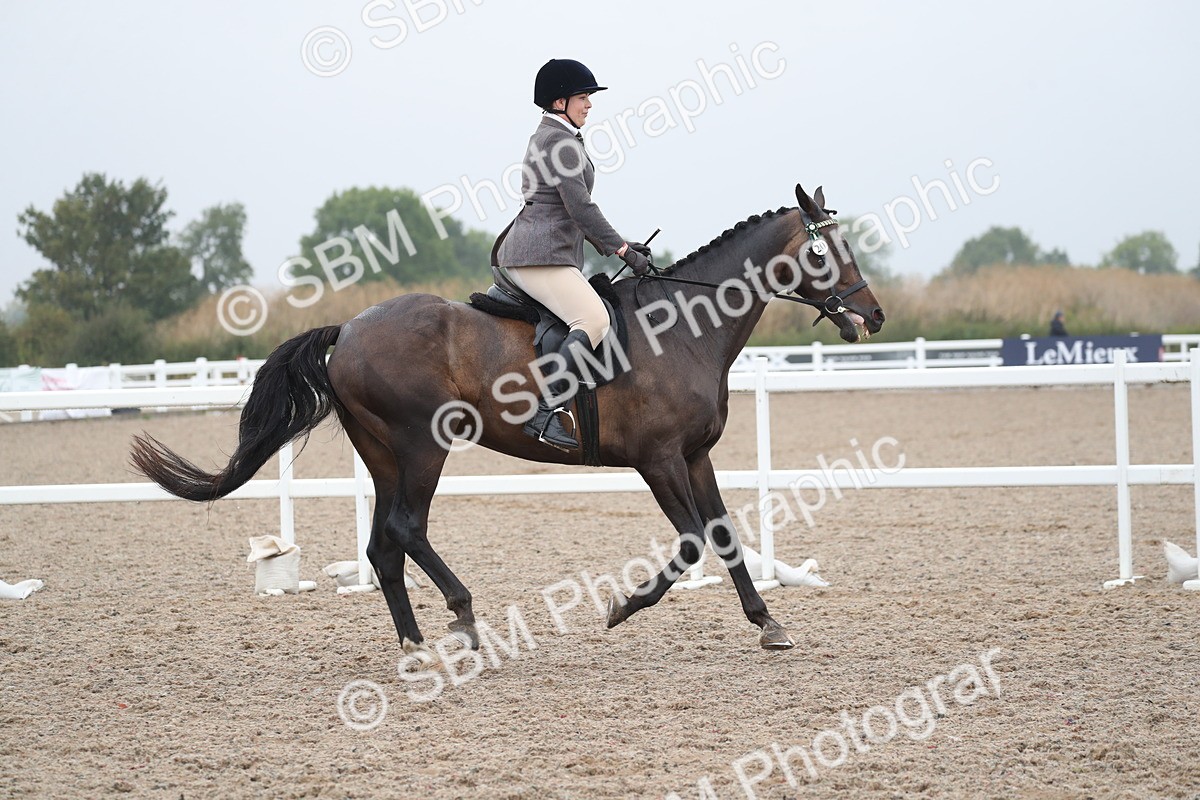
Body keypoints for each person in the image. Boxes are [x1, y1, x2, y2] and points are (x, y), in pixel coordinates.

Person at [494, 58, 652, 450]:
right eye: (583, 97)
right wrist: (621, 250)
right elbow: (580, 208)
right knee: (594, 318)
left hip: (546, 252)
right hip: (540, 256)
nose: (589, 105)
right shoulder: (559, 141)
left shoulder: (556, 135)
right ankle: (543, 413)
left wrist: (623, 243)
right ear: (560, 101)